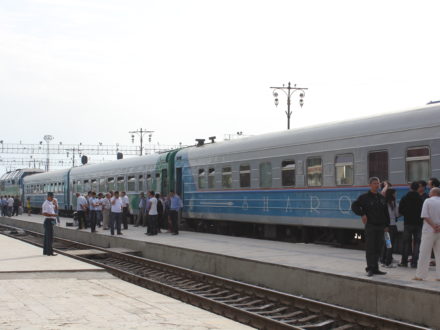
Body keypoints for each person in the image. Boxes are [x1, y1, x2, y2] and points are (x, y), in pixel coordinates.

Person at [351, 177, 390, 277]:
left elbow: (385, 212)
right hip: (371, 226)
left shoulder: (381, 197)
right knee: (370, 248)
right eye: (374, 183)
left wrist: (386, 225)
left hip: (381, 226)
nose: (377, 185)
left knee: (378, 247)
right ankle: (370, 268)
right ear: (370, 185)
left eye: (378, 183)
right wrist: (362, 214)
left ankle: (376, 268)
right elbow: (354, 206)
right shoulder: (364, 197)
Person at [414, 188, 440, 281]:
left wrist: (434, 226)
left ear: (432, 193)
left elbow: (425, 215)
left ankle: (420, 275)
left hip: (429, 231)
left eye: (429, 192)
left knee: (424, 253)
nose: (428, 193)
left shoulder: (427, 201)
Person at [399, 181, 424, 268]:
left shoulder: (405, 197)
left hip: (408, 223)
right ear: (418, 188)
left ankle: (404, 262)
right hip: (418, 224)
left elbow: (400, 210)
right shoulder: (421, 199)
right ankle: (414, 263)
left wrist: (407, 214)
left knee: (406, 243)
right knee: (417, 243)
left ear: (410, 187)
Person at [380, 188, 399, 267]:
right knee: (390, 245)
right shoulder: (393, 203)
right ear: (392, 194)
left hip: (385, 226)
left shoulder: (383, 202)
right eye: (395, 193)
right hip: (392, 225)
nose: (396, 195)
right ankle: (388, 262)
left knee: (386, 244)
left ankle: (383, 260)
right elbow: (397, 214)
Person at [42, 192, 57, 256]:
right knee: (49, 238)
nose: (53, 198)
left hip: (50, 221)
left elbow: (55, 209)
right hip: (48, 221)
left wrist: (55, 204)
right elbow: (44, 213)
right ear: (48, 196)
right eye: (52, 197)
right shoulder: (46, 204)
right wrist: (53, 215)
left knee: (47, 238)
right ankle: (50, 252)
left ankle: (45, 251)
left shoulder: (50, 203)